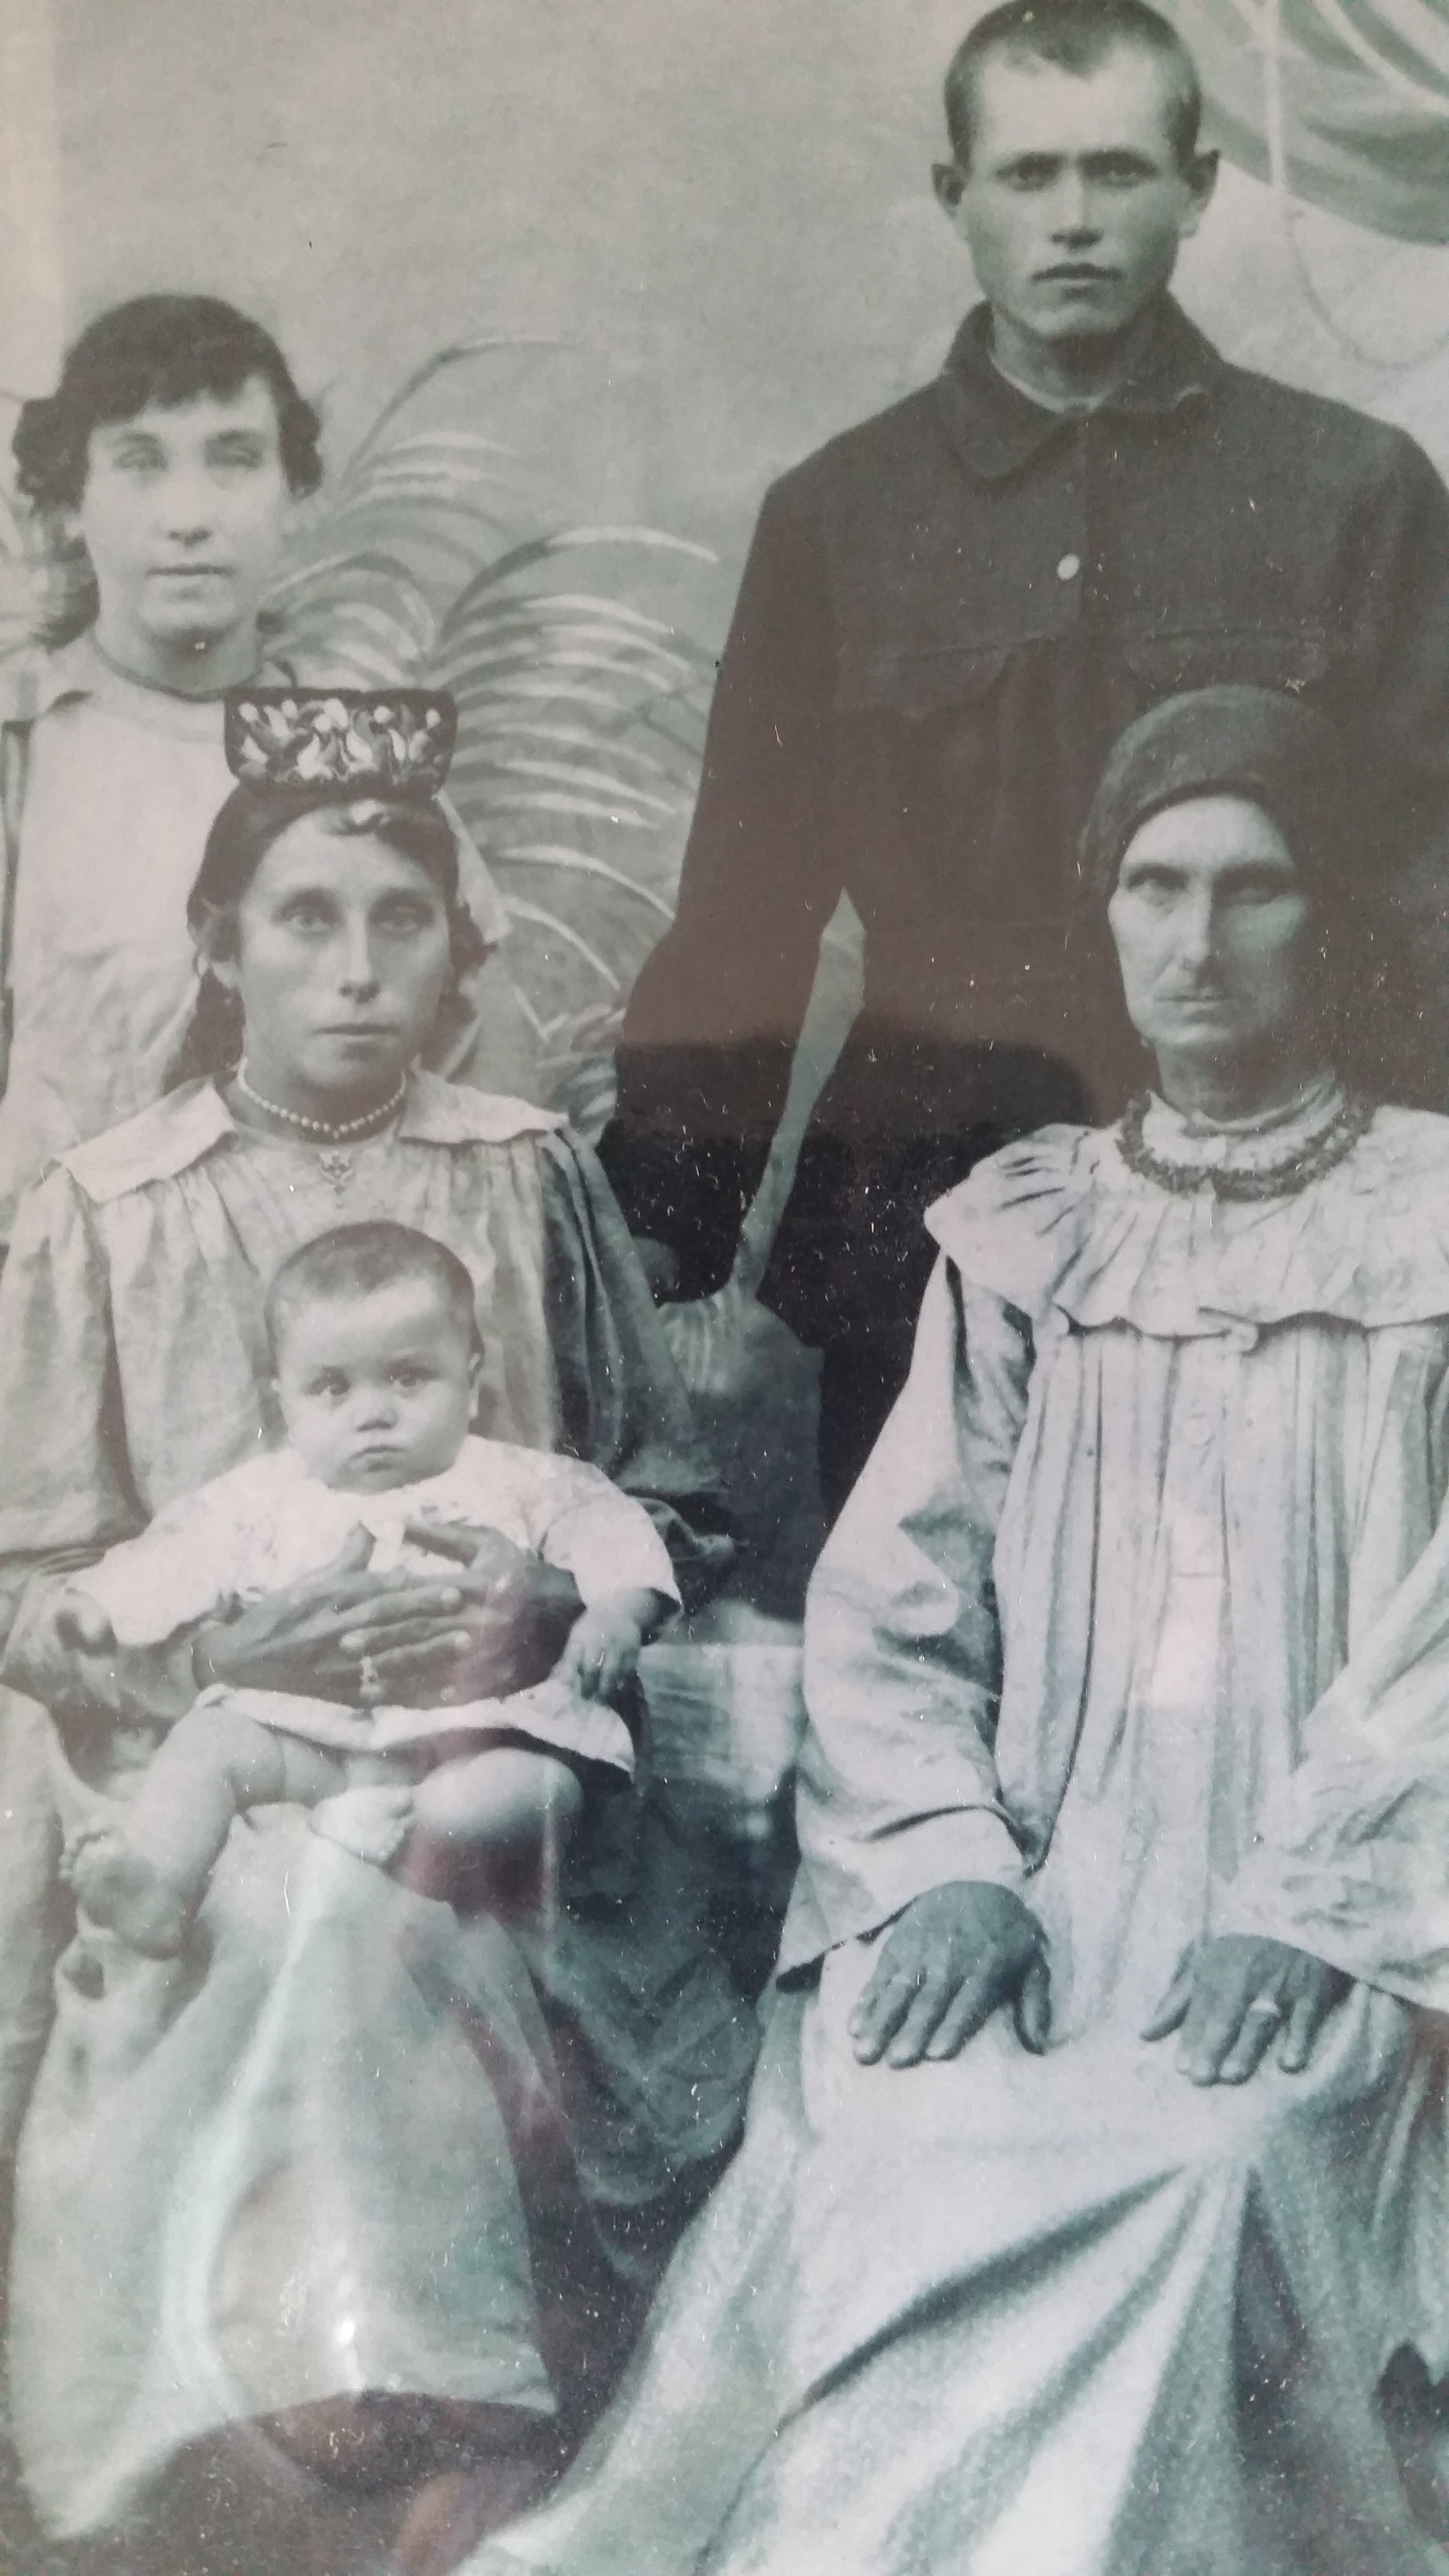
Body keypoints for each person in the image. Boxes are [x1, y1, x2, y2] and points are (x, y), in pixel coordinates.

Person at [476, 689, 1449, 2576]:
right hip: (1037, 1875)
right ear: (1103, 912)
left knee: (1207, 2166)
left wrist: (1315, 1906)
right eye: (1153, 884)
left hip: (1352, 1896)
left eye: (1251, 887)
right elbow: (899, 1601)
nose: (1195, 937)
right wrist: (939, 1867)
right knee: (895, 2130)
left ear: (1328, 913)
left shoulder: (1434, 1219)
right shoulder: (1030, 1230)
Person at [0, 692, 750, 2573]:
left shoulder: (526, 1171)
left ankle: (450, 2388)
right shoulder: (110, 1208)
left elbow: (665, 1494)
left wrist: (545, 1602)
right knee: (296, 1905)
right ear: (219, 945)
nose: (354, 967)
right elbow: (29, 1584)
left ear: (456, 947)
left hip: (505, 1737)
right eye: (304, 919)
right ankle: (346, 2375)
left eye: (399, 919)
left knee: (413, 1880)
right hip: (209, 1759)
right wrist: (221, 1651)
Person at [598, 0, 1449, 1516]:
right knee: (926, 1618)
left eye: (1116, 172)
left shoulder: (1354, 491)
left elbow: (1417, 894)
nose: (1071, 219)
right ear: (955, 196)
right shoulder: (837, 515)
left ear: (1195, 188)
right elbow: (746, 908)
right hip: (920, 1193)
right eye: (1028, 174)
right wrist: (661, 1233)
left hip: (1269, 1192)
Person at [0, 292, 518, 1242]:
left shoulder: (361, 746)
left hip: (333, 1289)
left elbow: (474, 1063)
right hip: (63, 1285)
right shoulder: (23, 747)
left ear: (291, 495)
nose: (189, 517)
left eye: (235, 459)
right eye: (141, 463)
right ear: (71, 502)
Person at [64, 1218, 682, 1960]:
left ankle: (403, 1837)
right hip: (312, 1740)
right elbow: (177, 1553)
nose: (373, 1413)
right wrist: (103, 1606)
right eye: (332, 1387)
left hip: (480, 1738)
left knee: (542, 1790)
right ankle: (160, 1886)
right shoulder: (259, 1496)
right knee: (209, 1745)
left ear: (472, 1381)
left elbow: (611, 1529)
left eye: (409, 1377)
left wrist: (615, 1612)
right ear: (284, 1401)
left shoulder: (521, 1479)